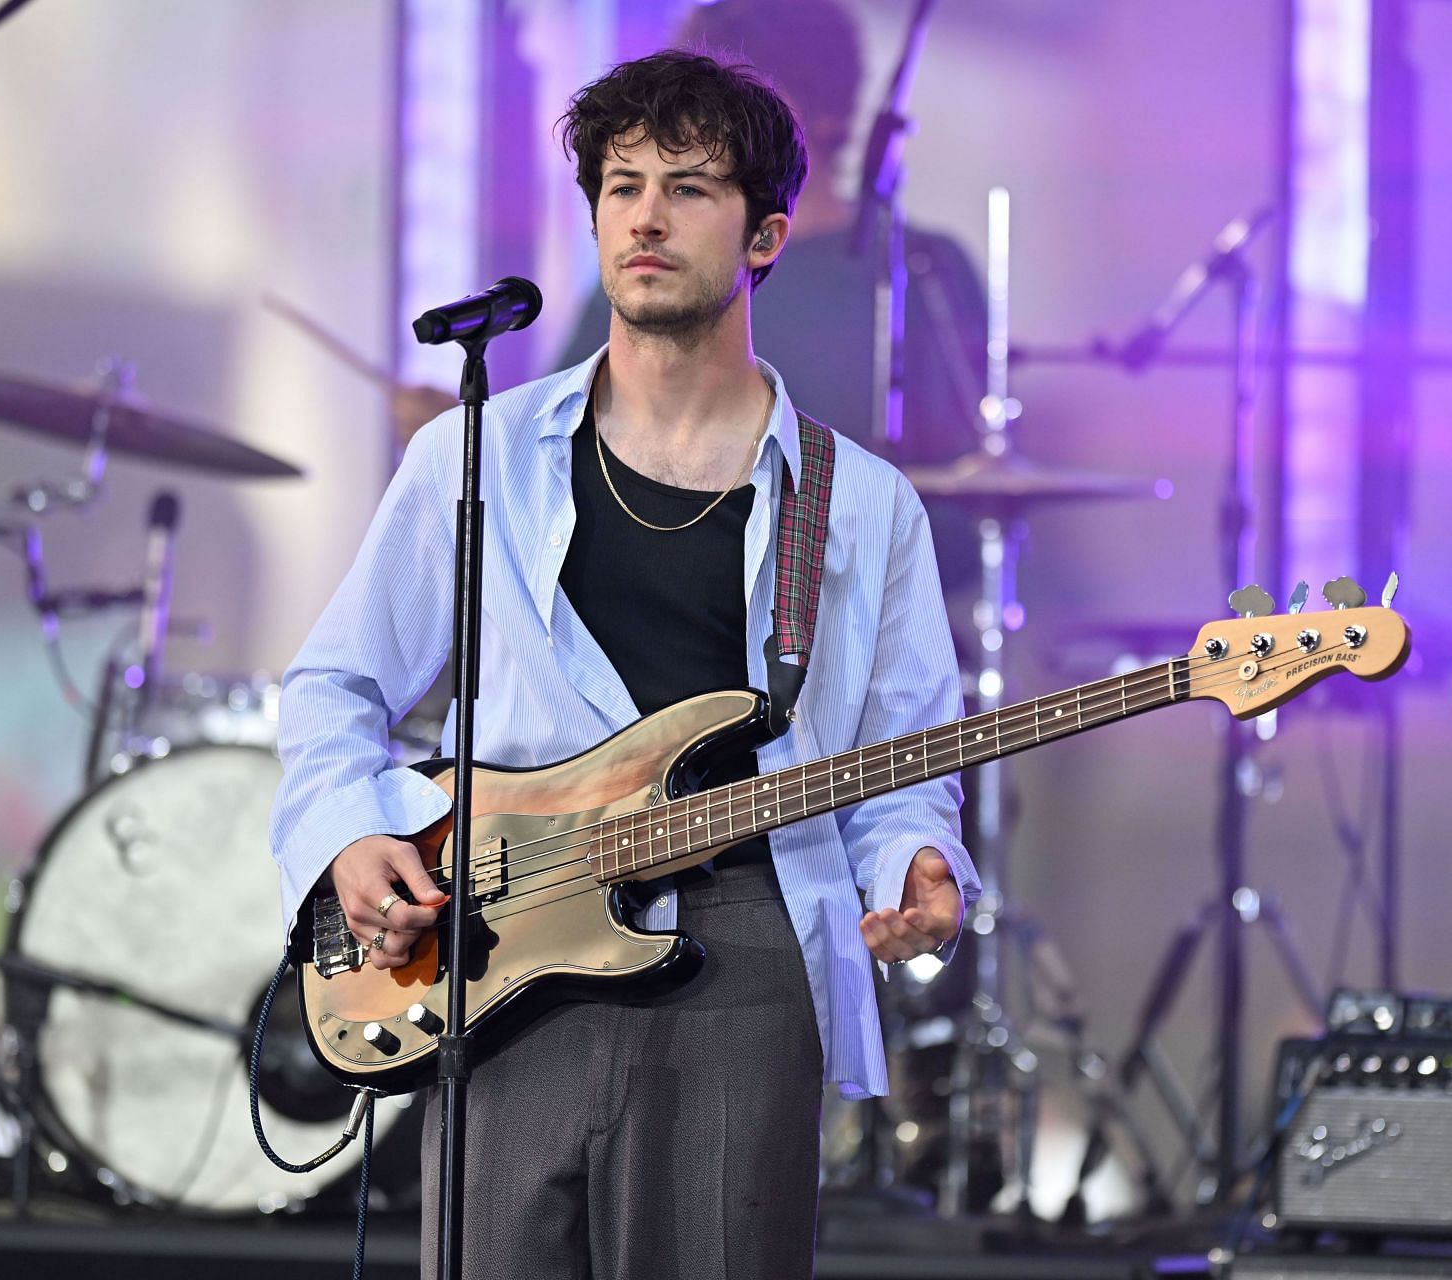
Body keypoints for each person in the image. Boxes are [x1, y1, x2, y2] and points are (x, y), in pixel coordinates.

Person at [271, 49, 978, 1277]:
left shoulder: (861, 506)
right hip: (501, 943)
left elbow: (899, 762)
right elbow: (335, 686)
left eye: (689, 187)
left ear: (764, 236)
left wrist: (919, 858)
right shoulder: (472, 460)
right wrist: (348, 832)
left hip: (746, 951)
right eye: (621, 185)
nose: (645, 214)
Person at [554, 0, 990, 588]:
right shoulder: (641, 279)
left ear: (828, 111)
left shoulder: (924, 271)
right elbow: (559, 471)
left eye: (738, 101)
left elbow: (975, 514)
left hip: (853, 631)